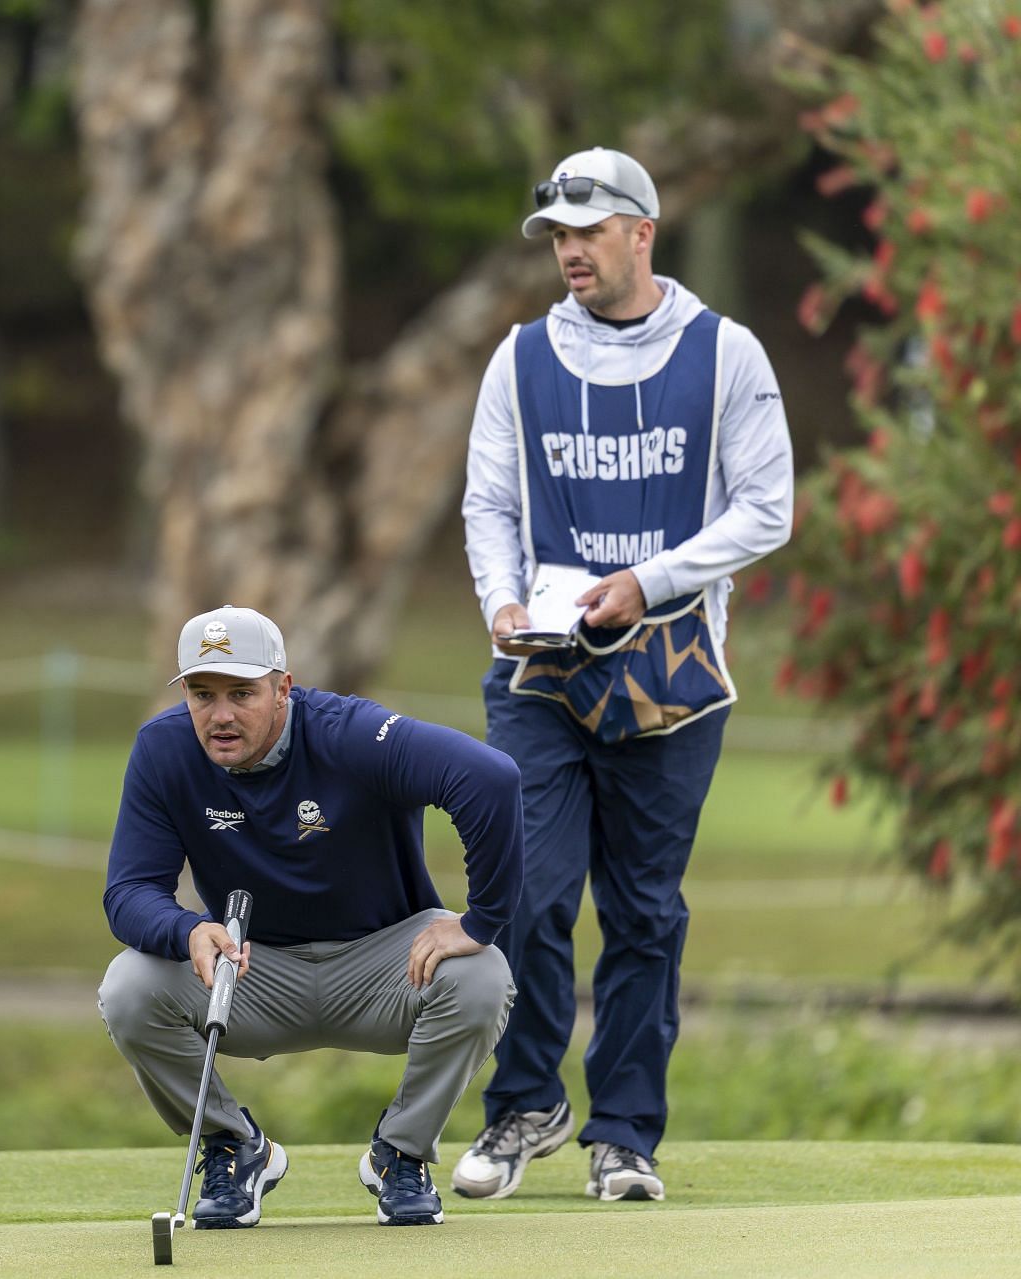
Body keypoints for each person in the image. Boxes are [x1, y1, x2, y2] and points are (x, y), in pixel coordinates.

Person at [456, 146, 793, 1203]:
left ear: (642, 232)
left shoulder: (726, 352)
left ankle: (626, 1134)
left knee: (644, 910)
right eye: (557, 233)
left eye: (588, 230)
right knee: (528, 893)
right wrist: (500, 602)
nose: (569, 250)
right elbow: (490, 504)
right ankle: (524, 1106)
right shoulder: (516, 359)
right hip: (541, 671)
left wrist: (648, 580)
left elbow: (766, 507)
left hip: (673, 674)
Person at [98, 604, 524, 1229]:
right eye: (202, 693)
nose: (220, 715)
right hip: (253, 968)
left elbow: (490, 778)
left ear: (282, 689)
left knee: (483, 974)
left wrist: (481, 919)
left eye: (242, 693)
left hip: (388, 963)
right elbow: (130, 889)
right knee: (129, 987)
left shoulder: (350, 733)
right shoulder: (164, 750)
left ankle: (400, 1155)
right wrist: (186, 928)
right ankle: (234, 1149)